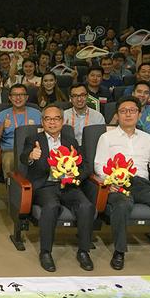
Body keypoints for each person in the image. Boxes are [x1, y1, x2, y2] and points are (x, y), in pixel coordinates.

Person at [94, 96, 150, 270]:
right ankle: (119, 251)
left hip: (141, 183)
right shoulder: (106, 137)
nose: (128, 114)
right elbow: (99, 165)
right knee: (122, 205)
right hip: (118, 183)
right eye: (123, 111)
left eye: (132, 110)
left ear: (139, 114)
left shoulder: (147, 138)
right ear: (117, 115)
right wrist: (110, 181)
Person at [20, 105, 94, 271]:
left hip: (68, 185)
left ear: (63, 121)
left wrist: (75, 178)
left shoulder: (70, 141)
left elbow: (86, 166)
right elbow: (24, 157)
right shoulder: (34, 139)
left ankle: (83, 251)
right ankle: (45, 252)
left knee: (86, 206)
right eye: (48, 119)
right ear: (42, 122)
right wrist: (32, 156)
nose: (52, 122)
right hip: (45, 185)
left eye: (56, 118)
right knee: (51, 206)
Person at [0, 84, 42, 177]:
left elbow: (45, 133)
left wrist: (34, 129)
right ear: (10, 97)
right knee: (9, 160)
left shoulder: (37, 113)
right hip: (10, 150)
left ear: (26, 97)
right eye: (14, 95)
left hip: (33, 148)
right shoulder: (2, 115)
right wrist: (2, 126)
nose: (18, 98)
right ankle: (12, 189)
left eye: (22, 94)